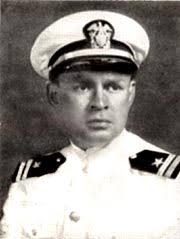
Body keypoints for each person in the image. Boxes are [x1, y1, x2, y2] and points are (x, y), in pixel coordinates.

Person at [0, 10, 180, 239]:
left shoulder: (170, 182)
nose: (100, 103)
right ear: (53, 94)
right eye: (83, 87)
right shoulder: (32, 182)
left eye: (113, 86)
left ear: (131, 93)